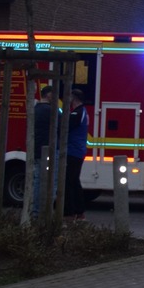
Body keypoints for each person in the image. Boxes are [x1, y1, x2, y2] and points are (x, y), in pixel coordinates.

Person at [30, 85, 56, 218]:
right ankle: (43, 211)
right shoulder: (50, 110)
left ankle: (36, 210)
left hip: (36, 149)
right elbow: (63, 124)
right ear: (49, 95)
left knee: (38, 180)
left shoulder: (36, 109)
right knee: (49, 181)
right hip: (47, 150)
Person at [65, 88, 89, 220]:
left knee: (69, 182)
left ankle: (70, 212)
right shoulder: (82, 112)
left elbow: (65, 128)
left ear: (73, 98)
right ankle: (79, 211)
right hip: (77, 151)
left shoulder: (77, 113)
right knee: (74, 181)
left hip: (73, 151)